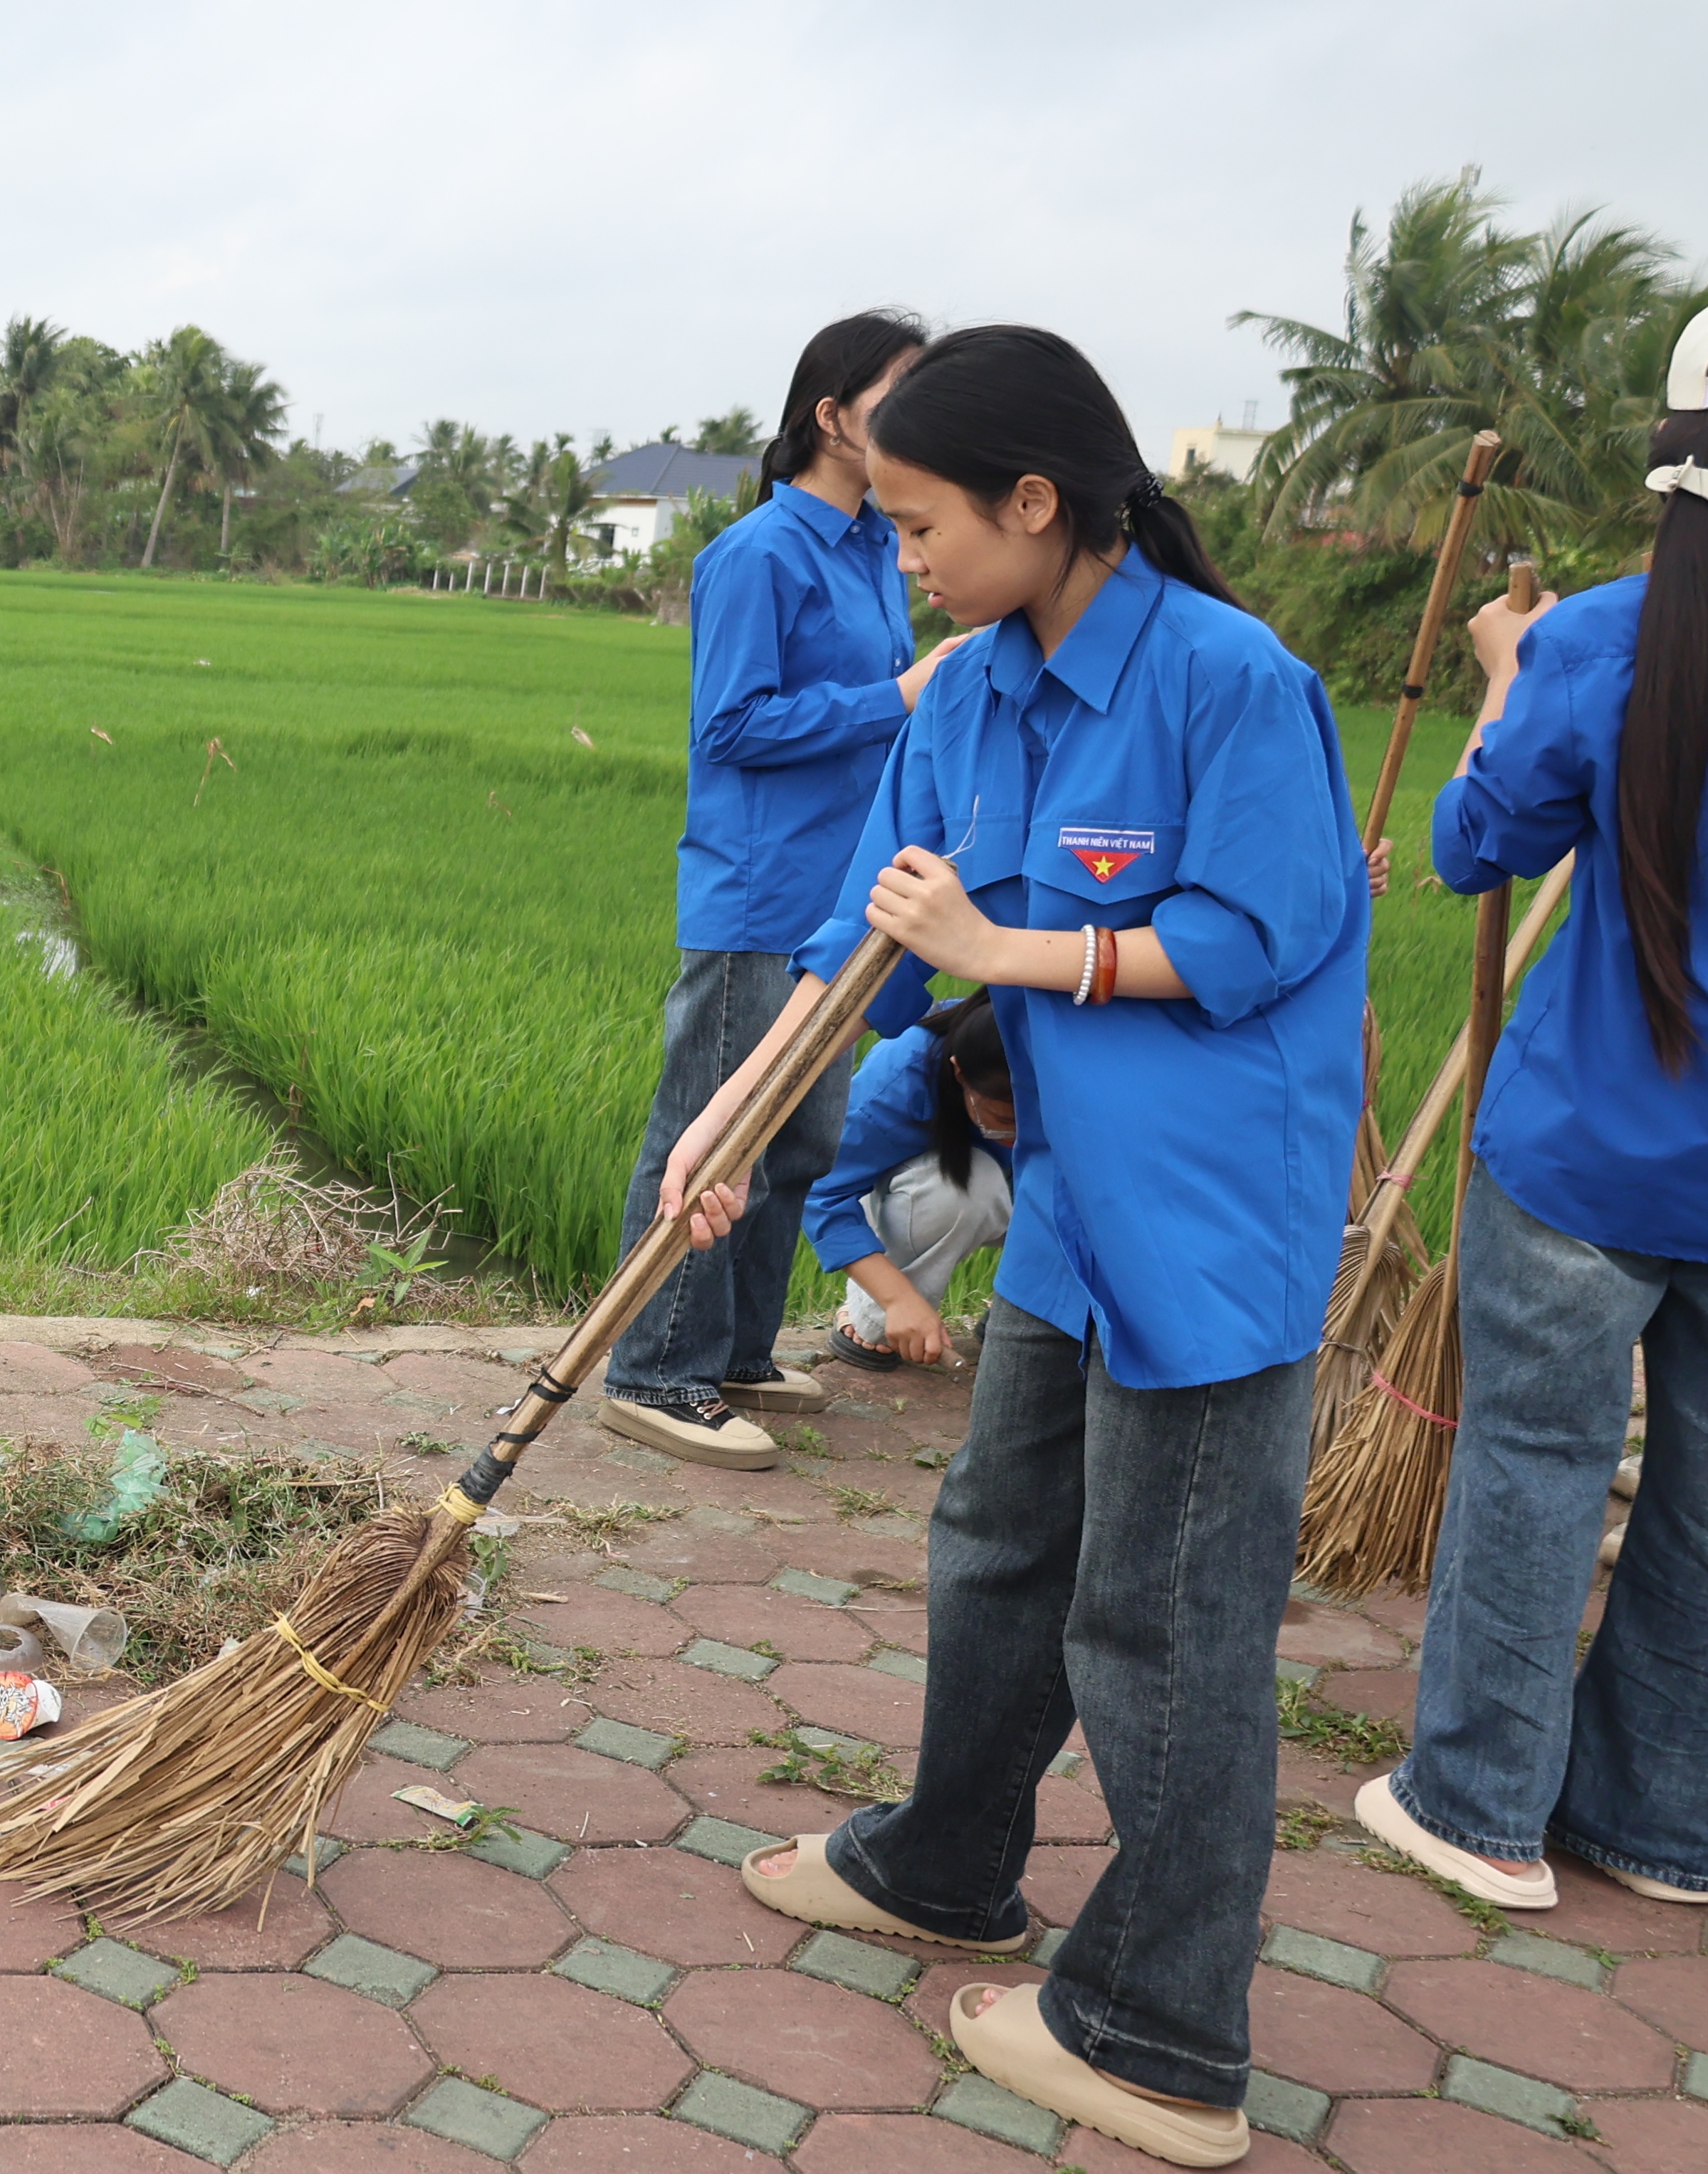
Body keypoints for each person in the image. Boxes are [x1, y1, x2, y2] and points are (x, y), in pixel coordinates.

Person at [680, 326, 1368, 2168]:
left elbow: (1250, 935)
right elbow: (862, 931)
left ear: (1031, 502)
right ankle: (947, 1857)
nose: (896, 557)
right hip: (1069, 1195)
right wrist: (724, 1115)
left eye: (917, 524)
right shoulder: (969, 693)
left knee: (1159, 1619)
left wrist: (1014, 952)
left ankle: (1156, 2030)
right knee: (996, 1536)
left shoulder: (1232, 682)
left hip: (1212, 1210)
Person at [1358, 298, 1708, 1913]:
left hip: (1585, 1149)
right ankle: (1662, 1825)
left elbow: (1470, 847)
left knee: (1530, 1458)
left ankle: (1477, 1802)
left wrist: (1505, 680)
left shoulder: (1599, 638)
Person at [602, 309, 949, 1469]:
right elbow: (732, 725)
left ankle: (735, 1347)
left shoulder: (869, 549)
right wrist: (893, 697)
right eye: (898, 394)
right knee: (713, 1128)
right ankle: (655, 1365)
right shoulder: (759, 552)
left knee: (799, 1134)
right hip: (760, 887)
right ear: (832, 413)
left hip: (843, 897)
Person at [801, 992, 1014, 1373]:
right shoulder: (904, 1072)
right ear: (960, 1073)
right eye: (1004, 1119)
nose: (1022, 1137)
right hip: (917, 1190)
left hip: (1029, 1193)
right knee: (968, 1185)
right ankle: (875, 1318)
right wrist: (897, 1299)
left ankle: (1023, 1308)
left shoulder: (1074, 1050)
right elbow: (822, 1191)